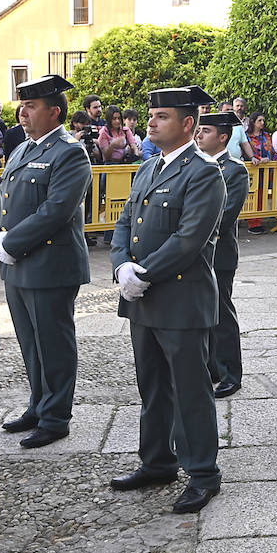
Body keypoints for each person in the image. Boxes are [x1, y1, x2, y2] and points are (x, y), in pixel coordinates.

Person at [108, 85, 225, 515]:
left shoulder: (203, 172)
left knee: (189, 388)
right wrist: (121, 266)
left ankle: (202, 473)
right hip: (142, 296)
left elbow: (190, 239)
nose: (151, 121)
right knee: (152, 385)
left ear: (188, 124)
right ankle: (157, 461)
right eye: (151, 115)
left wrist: (144, 272)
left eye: (162, 116)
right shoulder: (149, 168)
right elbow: (125, 223)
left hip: (180, 298)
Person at [0, 74, 93, 449]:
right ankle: (38, 404)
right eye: (22, 105)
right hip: (18, 262)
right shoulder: (23, 149)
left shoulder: (69, 151)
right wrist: (1, 238)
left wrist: (11, 242)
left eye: (31, 106)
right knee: (30, 342)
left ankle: (56, 417)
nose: (22, 112)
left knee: (53, 342)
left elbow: (56, 211)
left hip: (50, 263)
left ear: (54, 112)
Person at [196, 111, 250, 399]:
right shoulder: (196, 166)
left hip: (219, 253)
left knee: (222, 314)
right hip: (197, 253)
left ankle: (231, 373)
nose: (199, 135)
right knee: (204, 313)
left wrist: (194, 236)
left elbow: (226, 215)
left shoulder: (234, 169)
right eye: (199, 129)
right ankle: (211, 367)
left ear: (223, 137)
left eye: (205, 130)